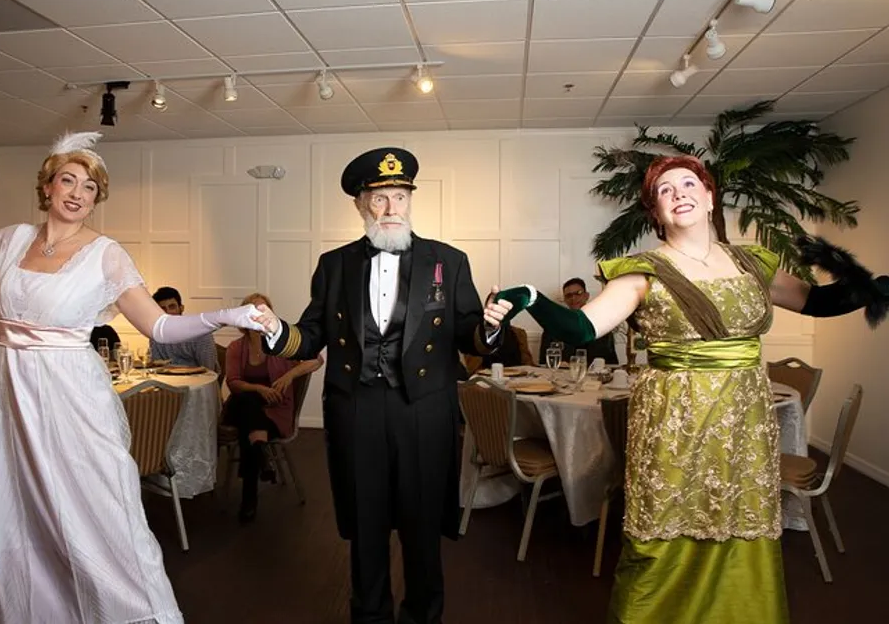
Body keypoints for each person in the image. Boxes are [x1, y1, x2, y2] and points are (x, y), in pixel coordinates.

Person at [0, 131, 264, 624]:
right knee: (13, 511)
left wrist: (226, 315)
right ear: (47, 186)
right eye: (68, 180)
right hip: (5, 392)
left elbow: (160, 326)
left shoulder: (107, 254)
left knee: (94, 506)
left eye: (90, 188)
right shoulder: (7, 241)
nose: (78, 194)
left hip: (70, 394)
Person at [496, 155, 885, 624]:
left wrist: (872, 288)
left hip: (745, 420)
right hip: (674, 423)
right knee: (665, 527)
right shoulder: (642, 271)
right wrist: (531, 299)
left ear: (708, 197)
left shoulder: (751, 263)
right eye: (664, 190)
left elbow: (816, 301)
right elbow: (581, 327)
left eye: (687, 183)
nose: (678, 192)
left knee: (742, 522)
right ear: (655, 213)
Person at [252, 147, 512, 624]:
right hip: (357, 408)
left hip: (424, 409)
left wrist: (491, 326)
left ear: (410, 200)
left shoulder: (447, 261)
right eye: (379, 199)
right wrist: (274, 329)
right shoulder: (335, 265)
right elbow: (311, 337)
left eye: (399, 196)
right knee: (367, 524)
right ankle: (369, 615)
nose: (391, 208)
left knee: (422, 523)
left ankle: (423, 615)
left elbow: (469, 332)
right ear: (360, 204)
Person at [223, 291, 323, 523]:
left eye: (264, 310)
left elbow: (316, 359)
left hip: (274, 411)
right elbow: (233, 382)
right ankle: (262, 454)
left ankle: (251, 490)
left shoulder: (282, 342)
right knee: (247, 403)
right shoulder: (236, 347)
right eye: (253, 311)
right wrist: (259, 389)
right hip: (242, 405)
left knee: (251, 436)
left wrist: (290, 375)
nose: (260, 316)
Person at [537, 278, 618, 365]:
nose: (573, 298)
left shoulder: (602, 325)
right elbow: (543, 362)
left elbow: (611, 361)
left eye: (578, 293)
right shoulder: (553, 325)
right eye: (568, 295)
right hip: (562, 375)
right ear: (565, 300)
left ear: (587, 296)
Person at [149, 286, 221, 372]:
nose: (168, 312)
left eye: (172, 307)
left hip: (199, 380)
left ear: (181, 308)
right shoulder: (155, 333)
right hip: (167, 381)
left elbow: (208, 370)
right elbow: (157, 367)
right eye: (162, 309)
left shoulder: (201, 333)